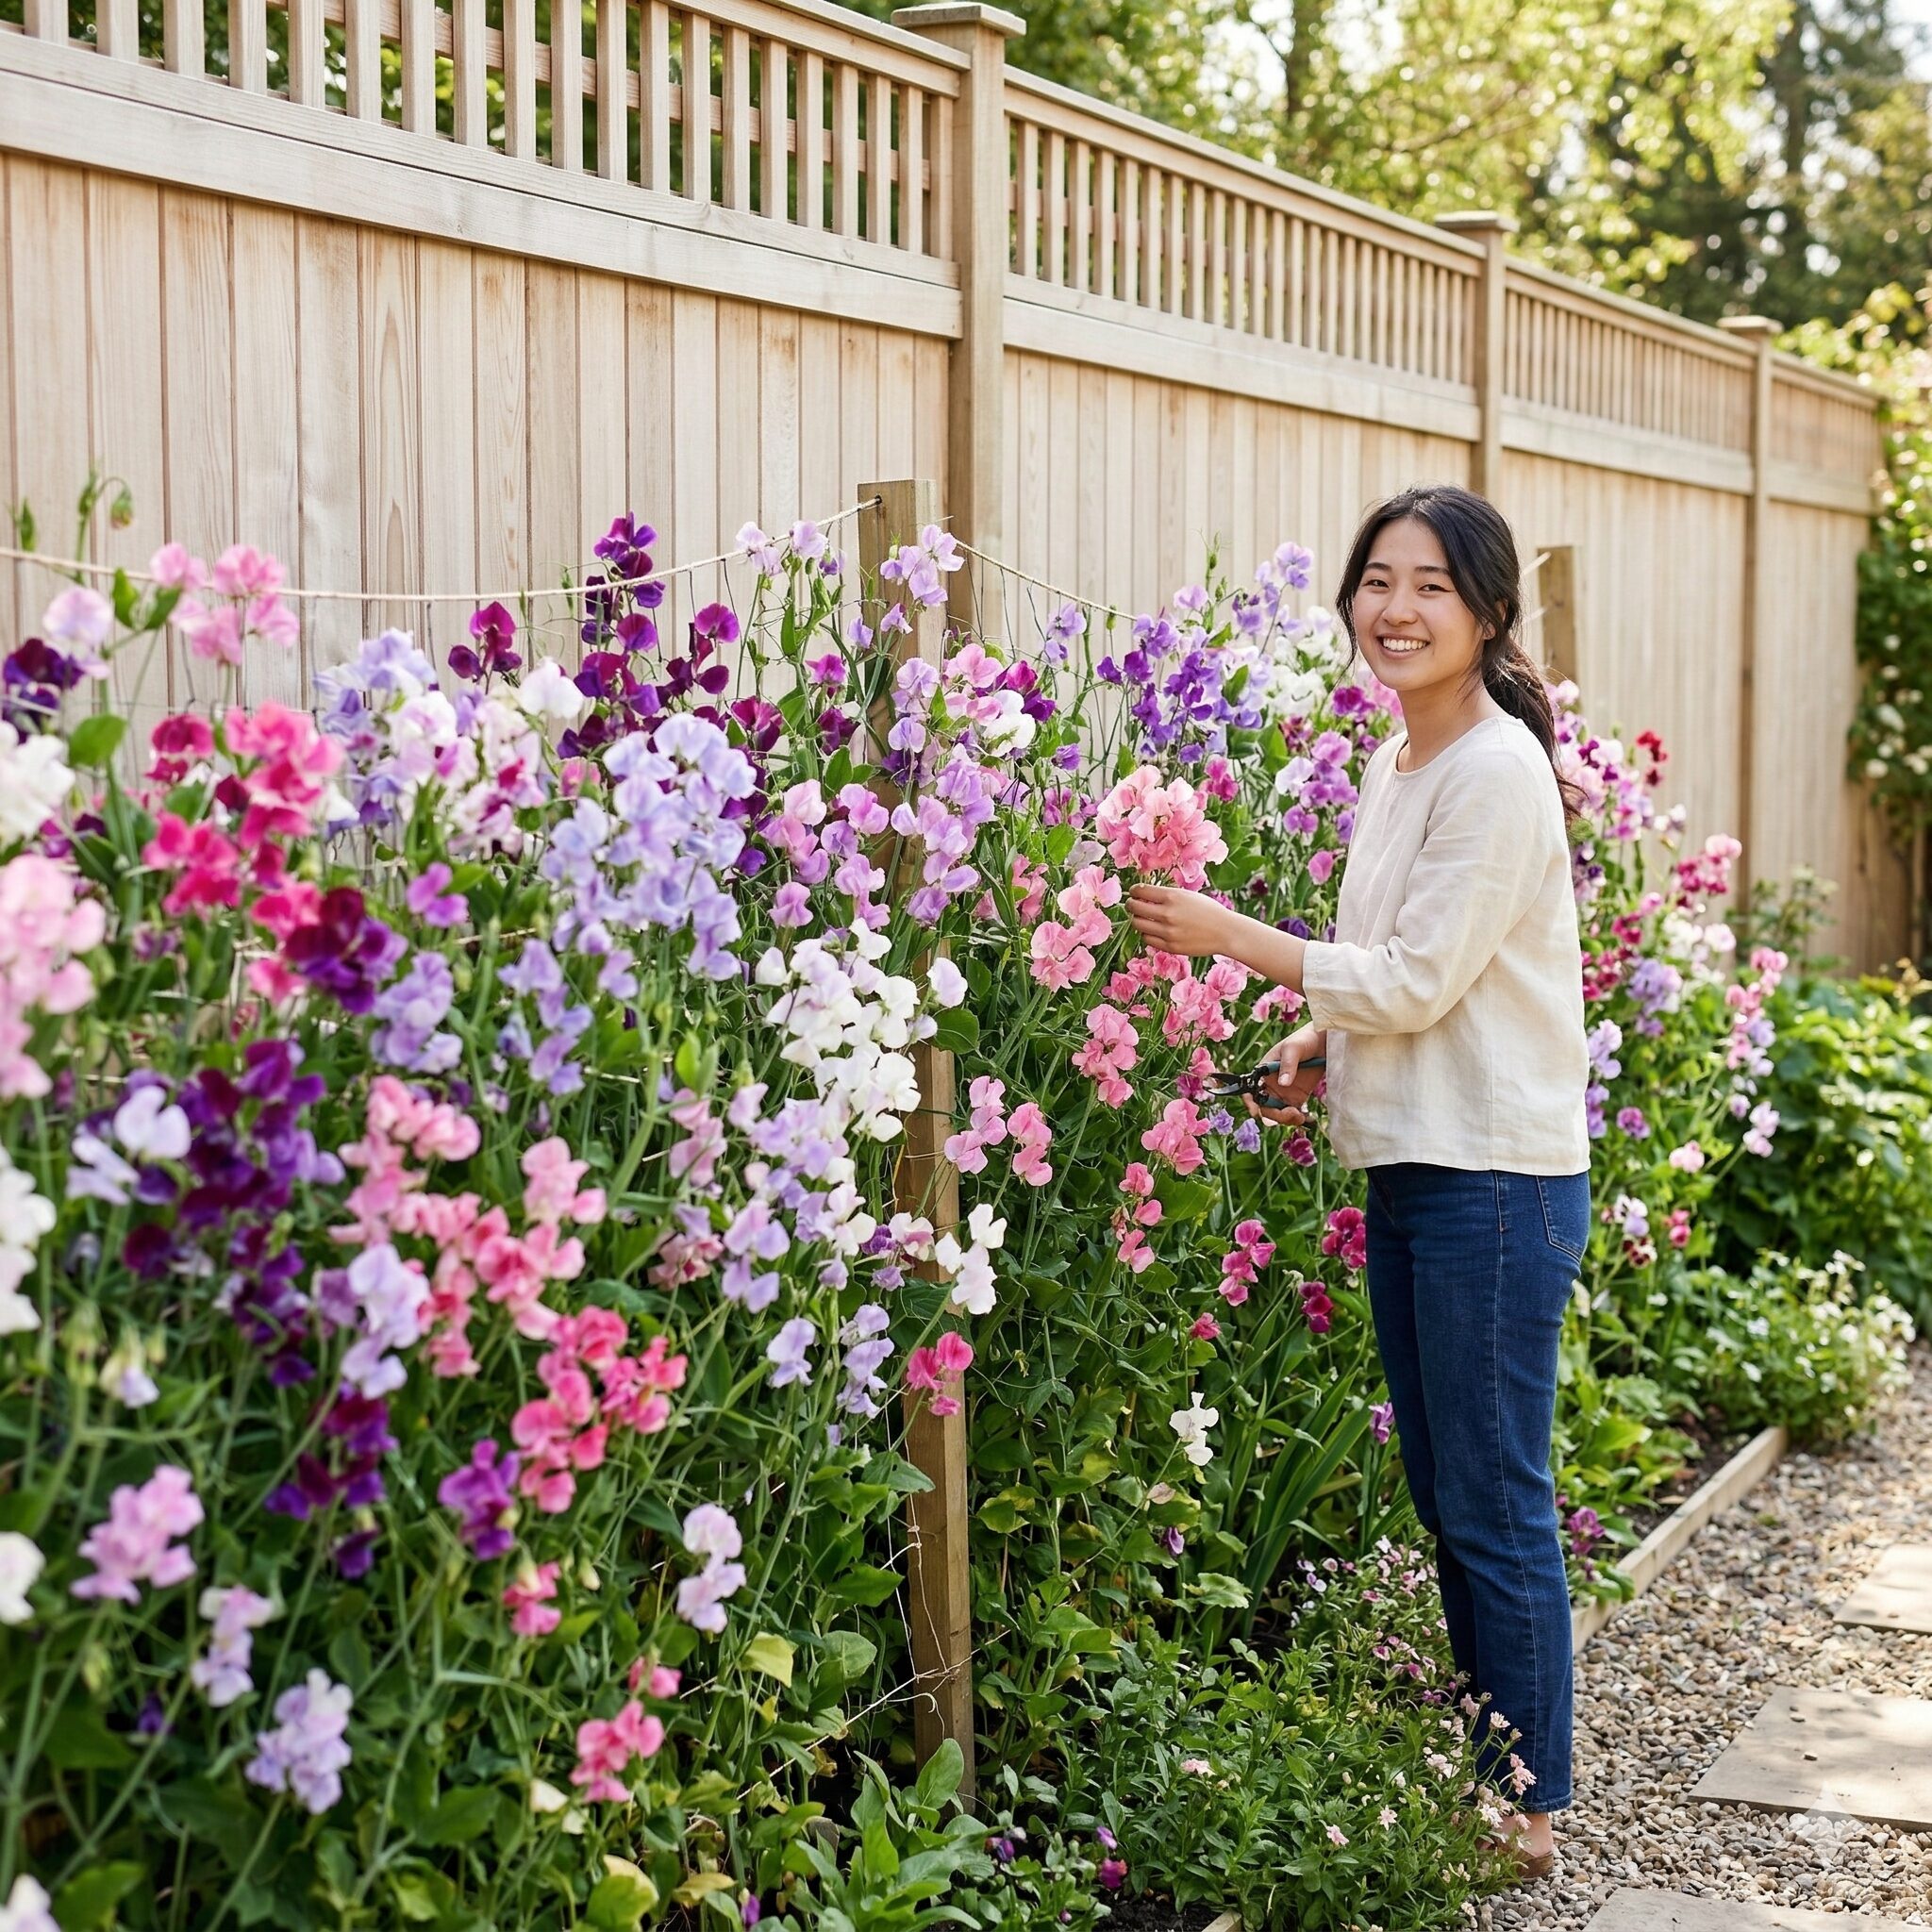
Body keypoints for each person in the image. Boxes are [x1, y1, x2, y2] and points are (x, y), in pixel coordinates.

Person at [1124, 483, 1589, 1883]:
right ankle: (1491, 1774)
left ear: (1489, 613)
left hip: (1493, 1183)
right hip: (1422, 1161)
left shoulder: (1495, 772)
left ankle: (1527, 1803)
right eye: (1377, 581)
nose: (1395, 609)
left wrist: (1229, 936)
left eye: (1431, 586)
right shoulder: (1405, 766)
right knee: (1452, 1492)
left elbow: (1423, 975)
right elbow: (1401, 971)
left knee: (1495, 1497)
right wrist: (1318, 1040)